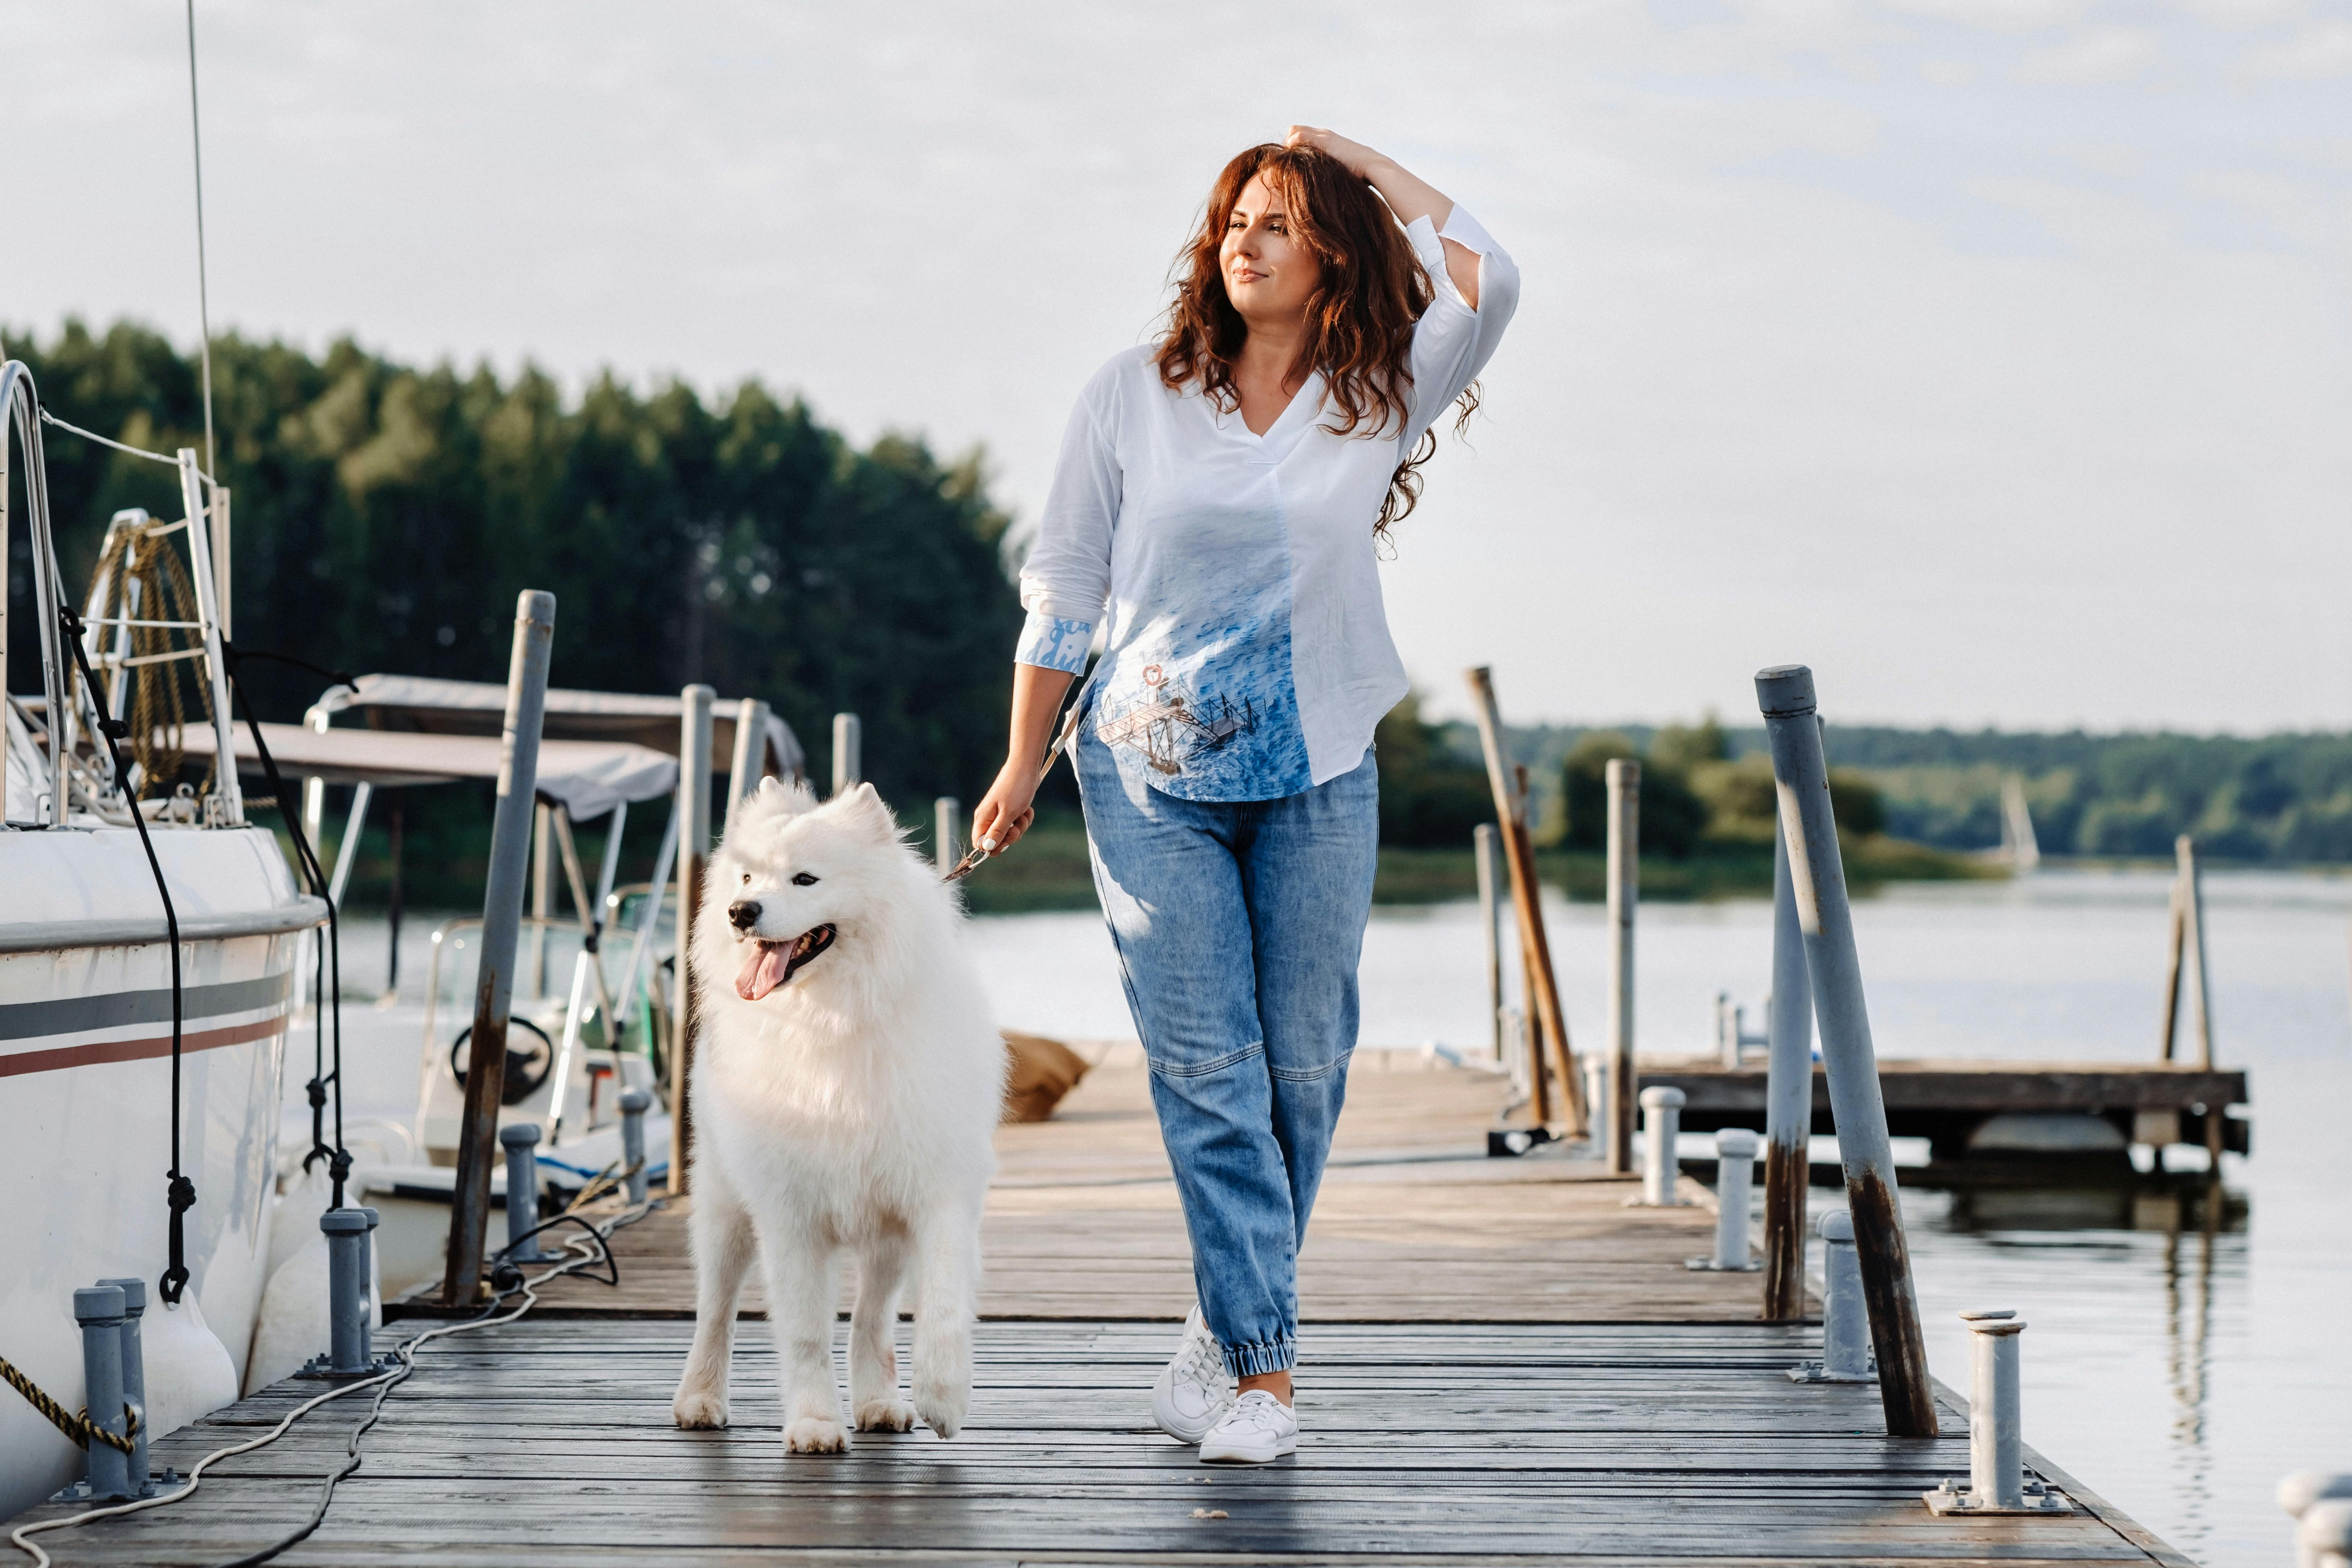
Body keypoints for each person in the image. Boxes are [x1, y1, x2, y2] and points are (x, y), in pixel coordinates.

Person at [971, 126, 1519, 1463]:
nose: (1242, 240)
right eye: (1231, 219)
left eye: (1276, 220)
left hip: (1322, 765)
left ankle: (1219, 1334)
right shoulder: (1132, 395)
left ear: (1332, 245)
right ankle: (1269, 1378)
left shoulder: (1376, 388)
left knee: (1306, 1073)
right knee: (1210, 1070)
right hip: (1149, 776)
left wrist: (1349, 157)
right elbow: (1066, 587)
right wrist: (1021, 757)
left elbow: (1489, 276)